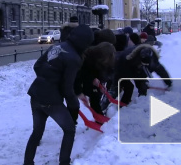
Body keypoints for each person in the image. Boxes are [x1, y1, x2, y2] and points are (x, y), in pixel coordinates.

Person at [24, 25, 94, 165]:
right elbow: (67, 87)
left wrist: (46, 79)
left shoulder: (57, 46)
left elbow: (37, 66)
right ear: (85, 42)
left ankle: (27, 162)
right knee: (69, 130)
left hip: (36, 94)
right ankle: (64, 162)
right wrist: (74, 104)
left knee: (37, 132)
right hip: (51, 100)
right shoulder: (74, 58)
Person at [101, 44, 172, 110]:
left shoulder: (152, 61)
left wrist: (169, 83)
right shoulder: (126, 59)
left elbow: (161, 71)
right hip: (120, 70)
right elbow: (119, 77)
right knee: (123, 88)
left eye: (146, 65)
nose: (144, 66)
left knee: (142, 88)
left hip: (137, 72)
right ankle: (104, 107)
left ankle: (137, 107)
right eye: (142, 65)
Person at [74, 42, 116, 117]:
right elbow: (78, 77)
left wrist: (101, 84)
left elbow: (100, 72)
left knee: (95, 96)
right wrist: (79, 93)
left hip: (90, 78)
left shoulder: (103, 61)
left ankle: (98, 116)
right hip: (75, 81)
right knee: (73, 104)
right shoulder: (85, 58)